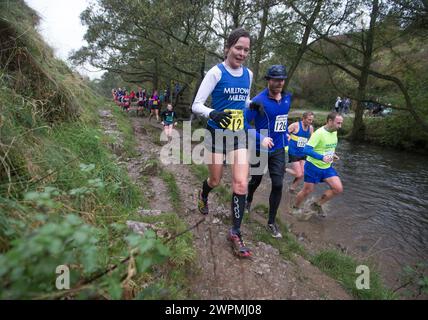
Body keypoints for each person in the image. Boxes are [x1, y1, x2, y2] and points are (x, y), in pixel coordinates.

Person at [192, 28, 253, 258]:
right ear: (228, 48)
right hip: (216, 134)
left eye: (246, 50)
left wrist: (251, 106)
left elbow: (243, 100)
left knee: (240, 183)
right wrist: (213, 113)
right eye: (238, 48)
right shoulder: (215, 73)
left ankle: (235, 232)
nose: (242, 53)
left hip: (238, 135)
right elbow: (196, 105)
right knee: (215, 180)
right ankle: (203, 194)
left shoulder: (249, 74)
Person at [245, 65, 291, 238]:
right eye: (276, 79)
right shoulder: (257, 101)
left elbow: (281, 119)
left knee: (278, 184)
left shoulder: (287, 98)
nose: (280, 83)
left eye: (282, 80)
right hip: (259, 148)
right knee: (255, 180)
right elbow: (244, 125)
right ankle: (248, 200)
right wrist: (260, 138)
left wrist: (284, 131)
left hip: (278, 148)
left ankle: (271, 222)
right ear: (269, 80)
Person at [292, 112, 343, 218]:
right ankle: (295, 208)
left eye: (341, 123)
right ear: (330, 121)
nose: (340, 126)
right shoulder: (319, 133)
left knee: (338, 188)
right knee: (307, 191)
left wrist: (333, 154)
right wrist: (322, 157)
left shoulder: (334, 132)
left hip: (327, 167)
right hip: (313, 166)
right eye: (338, 123)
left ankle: (317, 204)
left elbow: (327, 147)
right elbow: (306, 149)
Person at [286, 111, 314, 192]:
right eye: (309, 120)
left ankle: (292, 189)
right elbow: (284, 132)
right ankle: (283, 169)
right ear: (303, 119)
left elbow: (312, 140)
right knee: (298, 174)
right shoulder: (295, 125)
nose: (310, 122)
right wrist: (287, 136)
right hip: (293, 152)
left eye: (312, 120)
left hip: (303, 153)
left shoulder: (311, 128)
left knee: (303, 173)